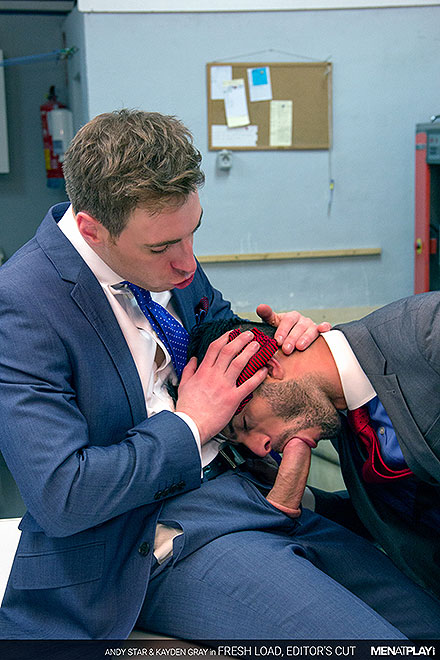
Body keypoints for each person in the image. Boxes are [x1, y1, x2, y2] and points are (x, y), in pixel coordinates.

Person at [0, 108, 428, 642]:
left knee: (424, 623)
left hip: (245, 494)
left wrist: (278, 342)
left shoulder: (165, 250)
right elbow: (63, 496)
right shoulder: (22, 305)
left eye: (192, 233)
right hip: (152, 537)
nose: (187, 264)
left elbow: (218, 336)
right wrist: (191, 426)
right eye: (162, 248)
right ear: (92, 230)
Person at [187, 292, 440, 606]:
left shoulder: (429, 330)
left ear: (271, 368)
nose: (261, 449)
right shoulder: (347, 423)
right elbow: (407, 512)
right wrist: (300, 501)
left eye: (246, 424)